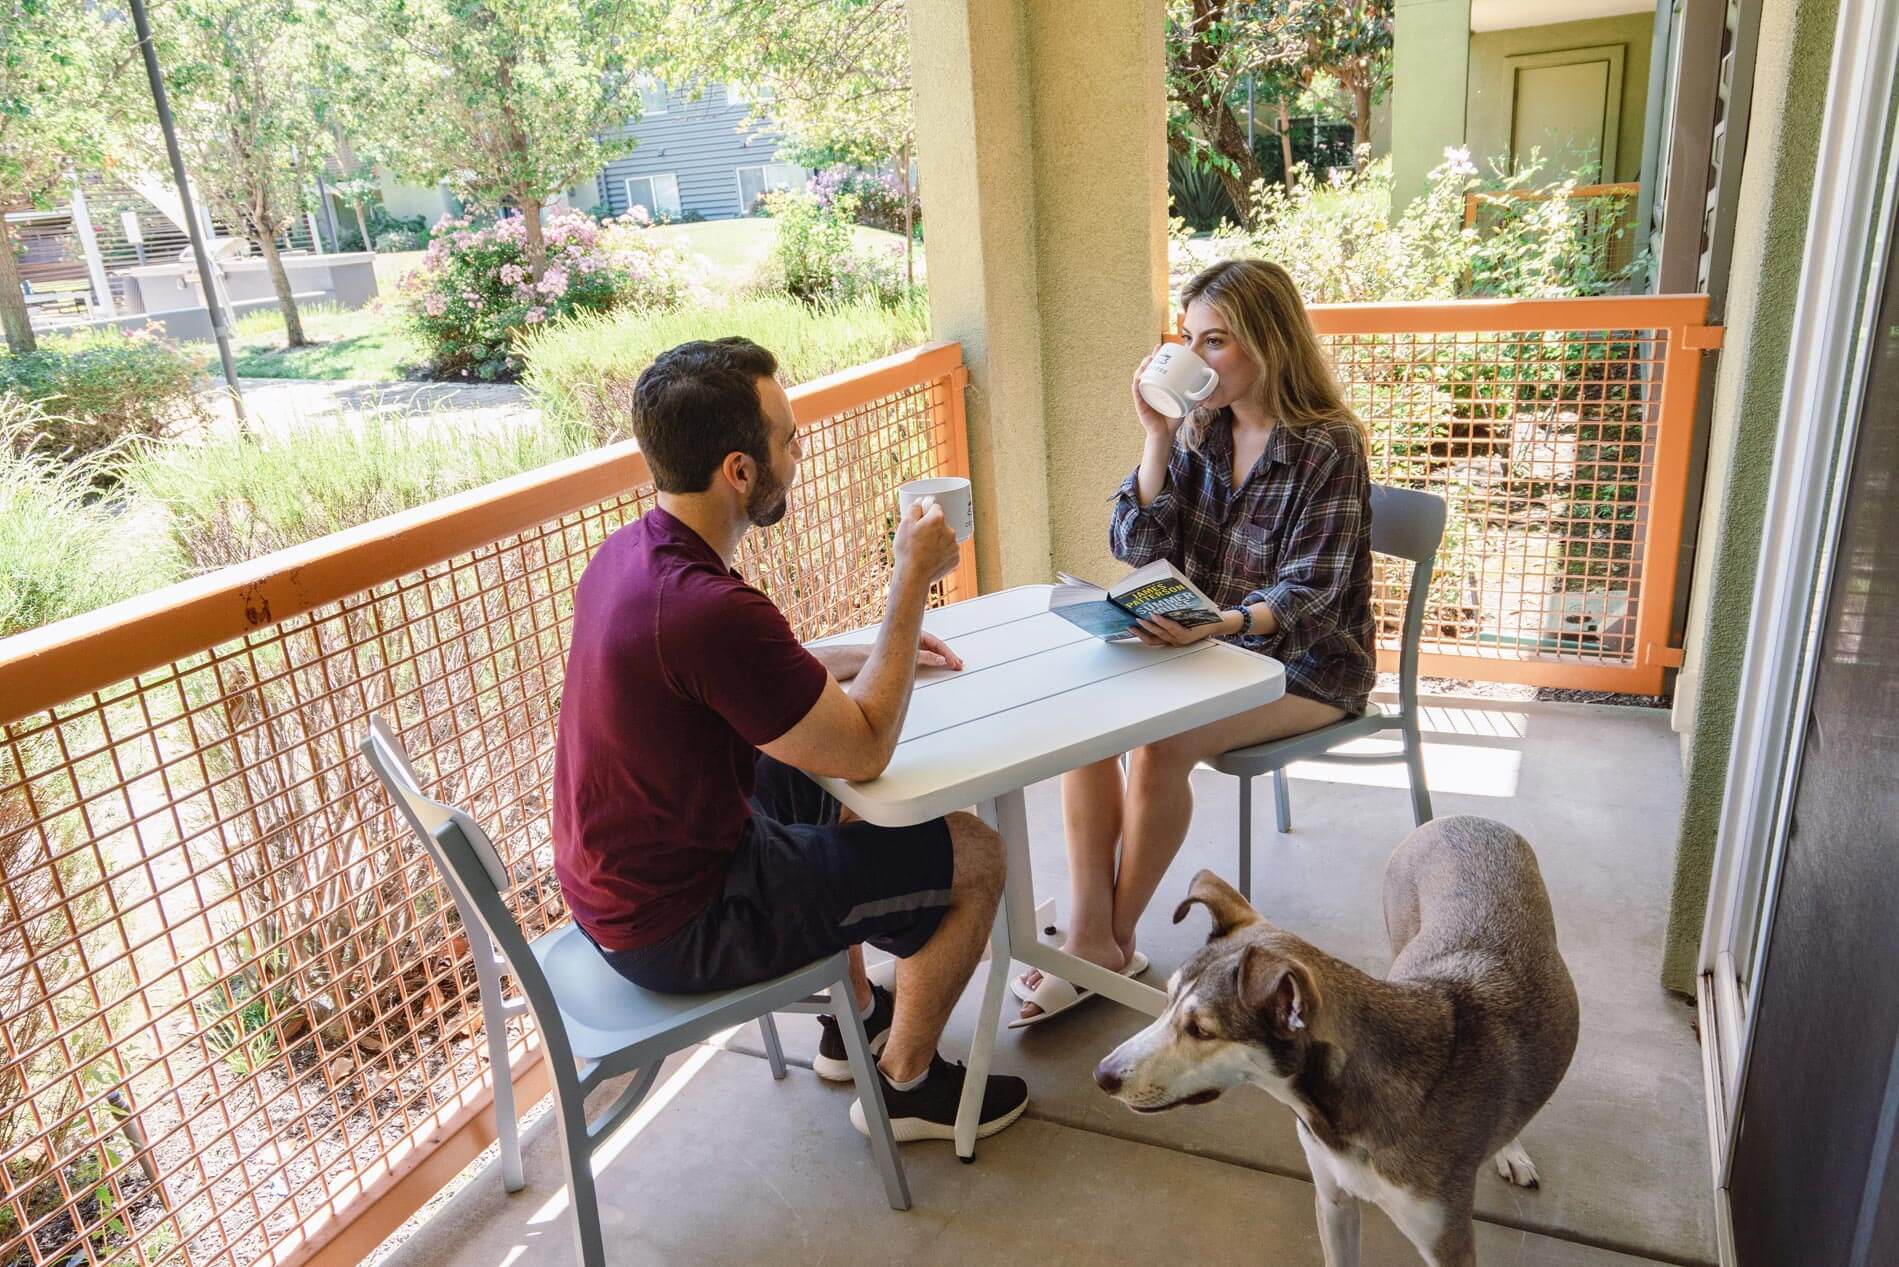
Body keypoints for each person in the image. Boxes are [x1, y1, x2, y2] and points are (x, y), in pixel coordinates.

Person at [552, 337, 1028, 1141]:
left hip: (625, 884)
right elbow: (867, 746)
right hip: (682, 924)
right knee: (976, 856)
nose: (798, 452)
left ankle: (854, 1022)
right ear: (740, 470)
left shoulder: (632, 556)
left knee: (806, 783)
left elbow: (737, 678)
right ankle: (908, 1084)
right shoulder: (709, 609)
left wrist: (863, 653)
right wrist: (909, 582)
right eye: (789, 438)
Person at [1015, 259, 1376, 1023]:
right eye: (1188, 340)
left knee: (1159, 744)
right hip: (1206, 644)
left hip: (1304, 666)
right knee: (1085, 721)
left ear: (1267, 344)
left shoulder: (1328, 445)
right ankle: (1095, 940)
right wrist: (1155, 436)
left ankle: (1103, 943)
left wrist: (1223, 623)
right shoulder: (1200, 426)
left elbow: (1312, 590)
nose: (1197, 358)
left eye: (1215, 342)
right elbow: (1136, 539)